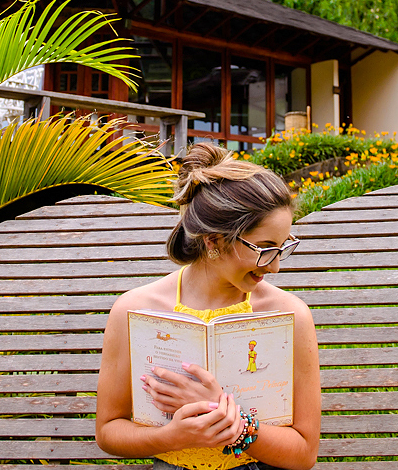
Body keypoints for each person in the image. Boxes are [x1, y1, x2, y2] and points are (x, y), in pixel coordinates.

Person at [96, 143, 321, 470]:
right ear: (213, 240)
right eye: (264, 248)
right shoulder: (135, 310)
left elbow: (304, 453)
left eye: (282, 247)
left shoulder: (288, 315)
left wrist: (232, 422)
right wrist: (171, 436)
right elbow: (108, 431)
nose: (274, 267)